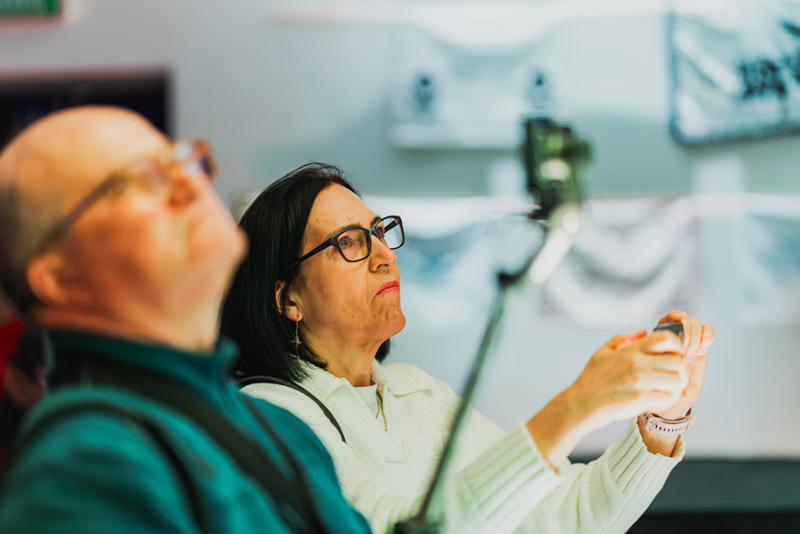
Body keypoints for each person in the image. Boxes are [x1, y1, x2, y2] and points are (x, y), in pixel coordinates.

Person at [220, 163, 716, 534]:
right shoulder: (268, 415)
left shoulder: (418, 392)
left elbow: (568, 516)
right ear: (288, 298)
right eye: (349, 241)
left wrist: (663, 419)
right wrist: (576, 406)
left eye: (379, 232)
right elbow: (403, 529)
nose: (384, 254)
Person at [0, 108, 372, 534]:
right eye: (139, 179)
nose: (190, 184)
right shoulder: (81, 470)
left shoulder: (279, 427)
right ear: (59, 275)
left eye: (180, 161)